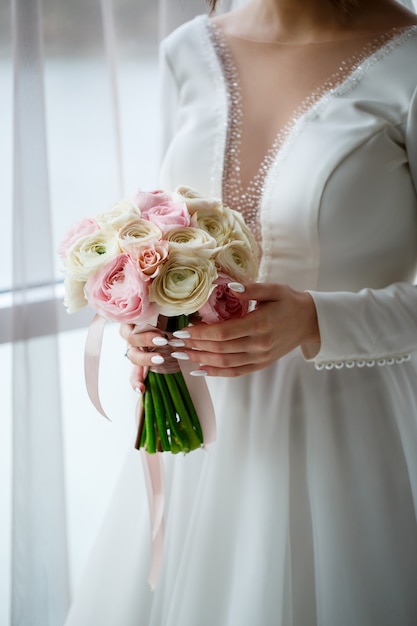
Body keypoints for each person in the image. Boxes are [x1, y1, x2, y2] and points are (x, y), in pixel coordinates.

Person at [65, 0, 417, 624]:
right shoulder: (188, 51)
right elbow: (163, 220)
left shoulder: (408, 61)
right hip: (202, 440)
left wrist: (316, 320)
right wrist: (149, 319)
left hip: (358, 434)